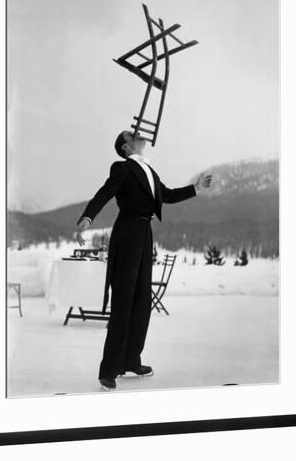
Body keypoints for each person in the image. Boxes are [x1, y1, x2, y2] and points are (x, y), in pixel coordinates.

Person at [75, 130, 212, 391]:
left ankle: (131, 360)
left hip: (144, 234)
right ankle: (109, 370)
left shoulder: (149, 170)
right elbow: (104, 193)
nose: (139, 134)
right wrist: (87, 217)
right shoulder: (123, 167)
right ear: (126, 147)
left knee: (141, 301)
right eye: (132, 134)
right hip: (127, 233)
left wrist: (196, 188)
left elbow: (168, 195)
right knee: (123, 300)